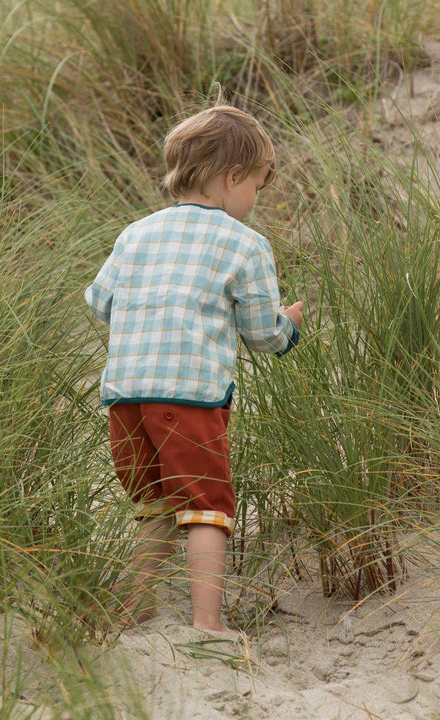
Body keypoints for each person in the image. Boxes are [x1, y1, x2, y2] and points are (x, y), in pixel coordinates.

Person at [85, 105, 304, 635]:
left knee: (154, 503)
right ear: (232, 178)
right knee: (207, 507)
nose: (253, 200)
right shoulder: (246, 243)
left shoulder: (135, 234)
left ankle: (130, 607)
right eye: (254, 185)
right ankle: (207, 623)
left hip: (125, 397)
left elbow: (98, 301)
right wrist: (289, 324)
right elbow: (262, 333)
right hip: (191, 398)